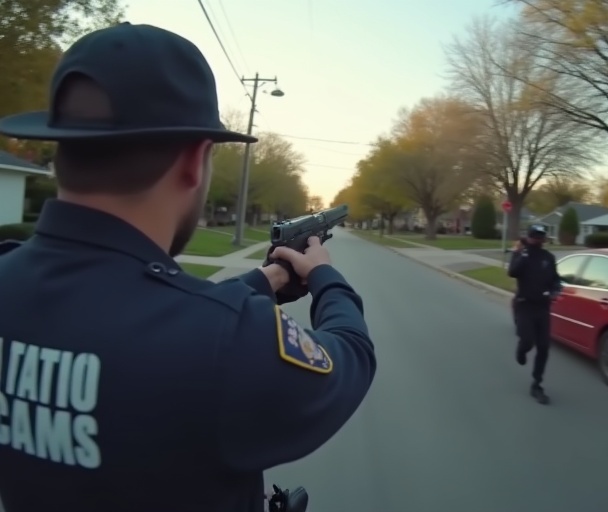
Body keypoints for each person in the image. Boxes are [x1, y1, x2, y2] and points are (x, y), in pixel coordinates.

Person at [0, 23, 376, 512]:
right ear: (195, 161)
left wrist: (267, 281)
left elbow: (155, 317)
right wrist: (325, 275)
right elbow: (352, 358)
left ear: (58, 147)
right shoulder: (229, 341)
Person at [507, 224, 561, 404]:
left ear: (544, 238)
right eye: (534, 236)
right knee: (527, 341)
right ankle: (522, 350)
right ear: (528, 237)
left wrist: (555, 291)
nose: (537, 239)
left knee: (544, 347)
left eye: (540, 236)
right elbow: (512, 272)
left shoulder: (548, 257)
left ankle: (537, 384)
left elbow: (555, 280)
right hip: (524, 305)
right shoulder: (522, 254)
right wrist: (521, 252)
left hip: (543, 307)